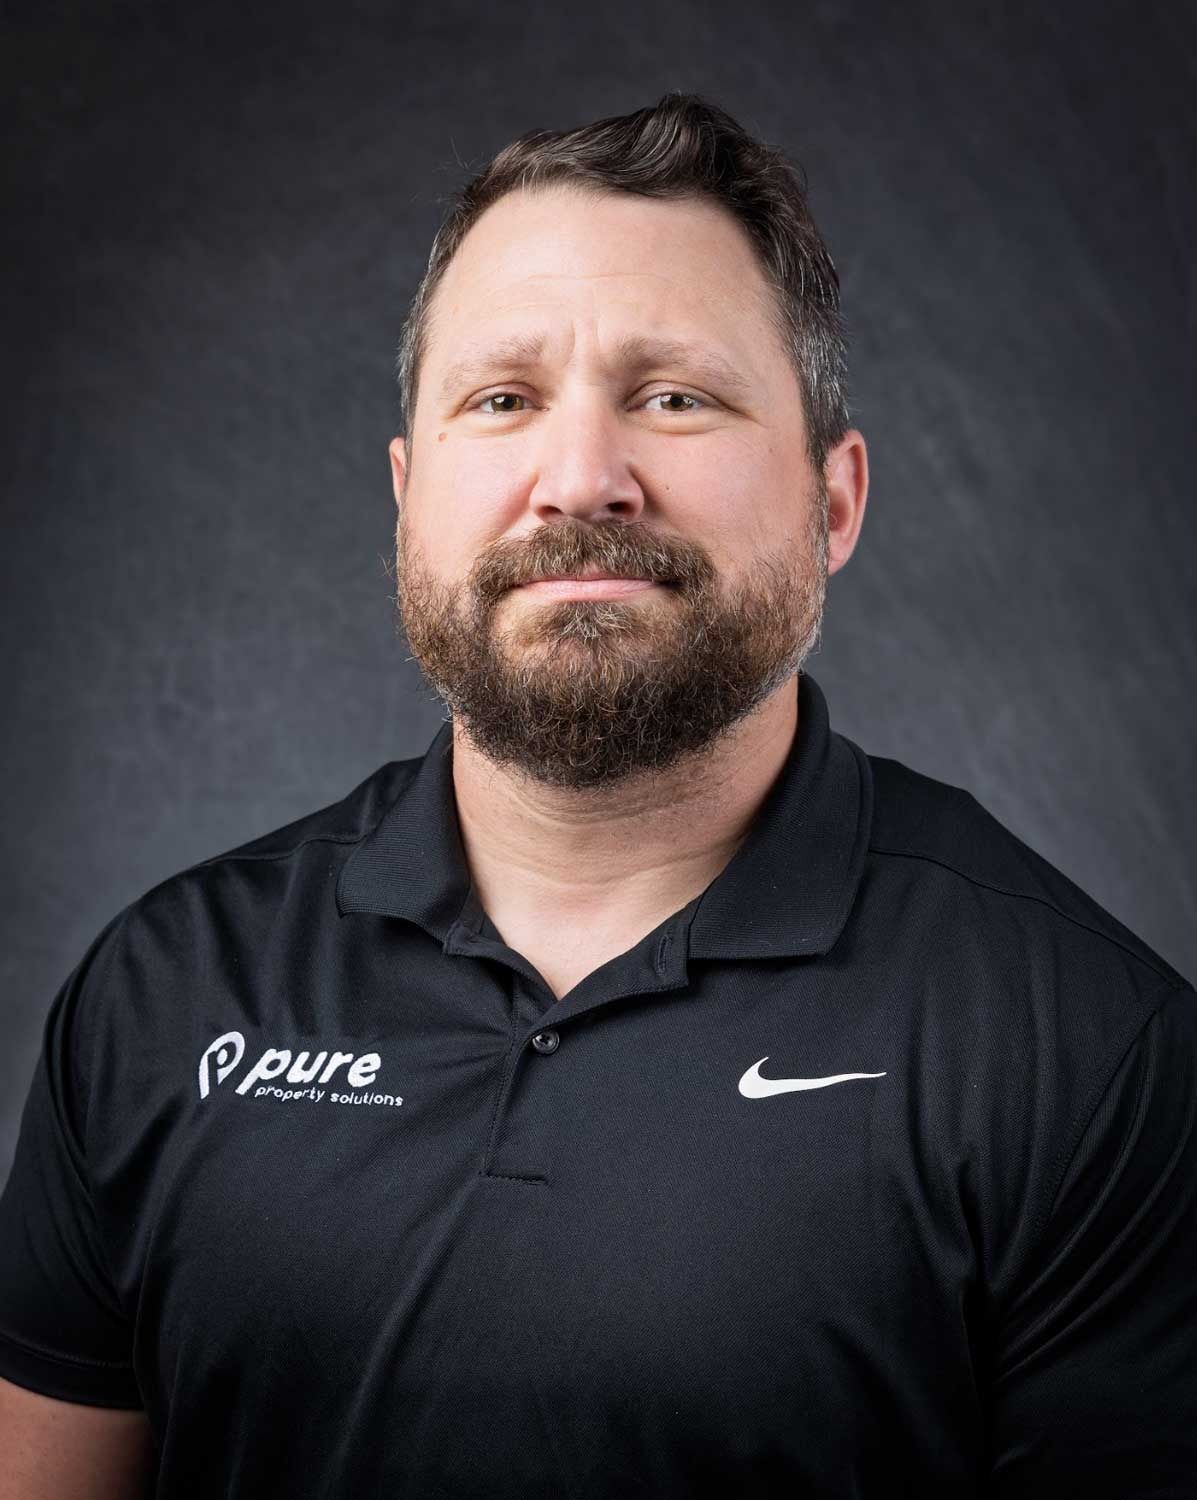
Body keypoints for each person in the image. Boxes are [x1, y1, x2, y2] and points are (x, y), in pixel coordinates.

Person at [0, 91, 1193, 1500]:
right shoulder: (165, 993)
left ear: (835, 500)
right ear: (406, 495)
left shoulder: (1082, 1052)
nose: (580, 479)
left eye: (673, 396)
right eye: (501, 401)